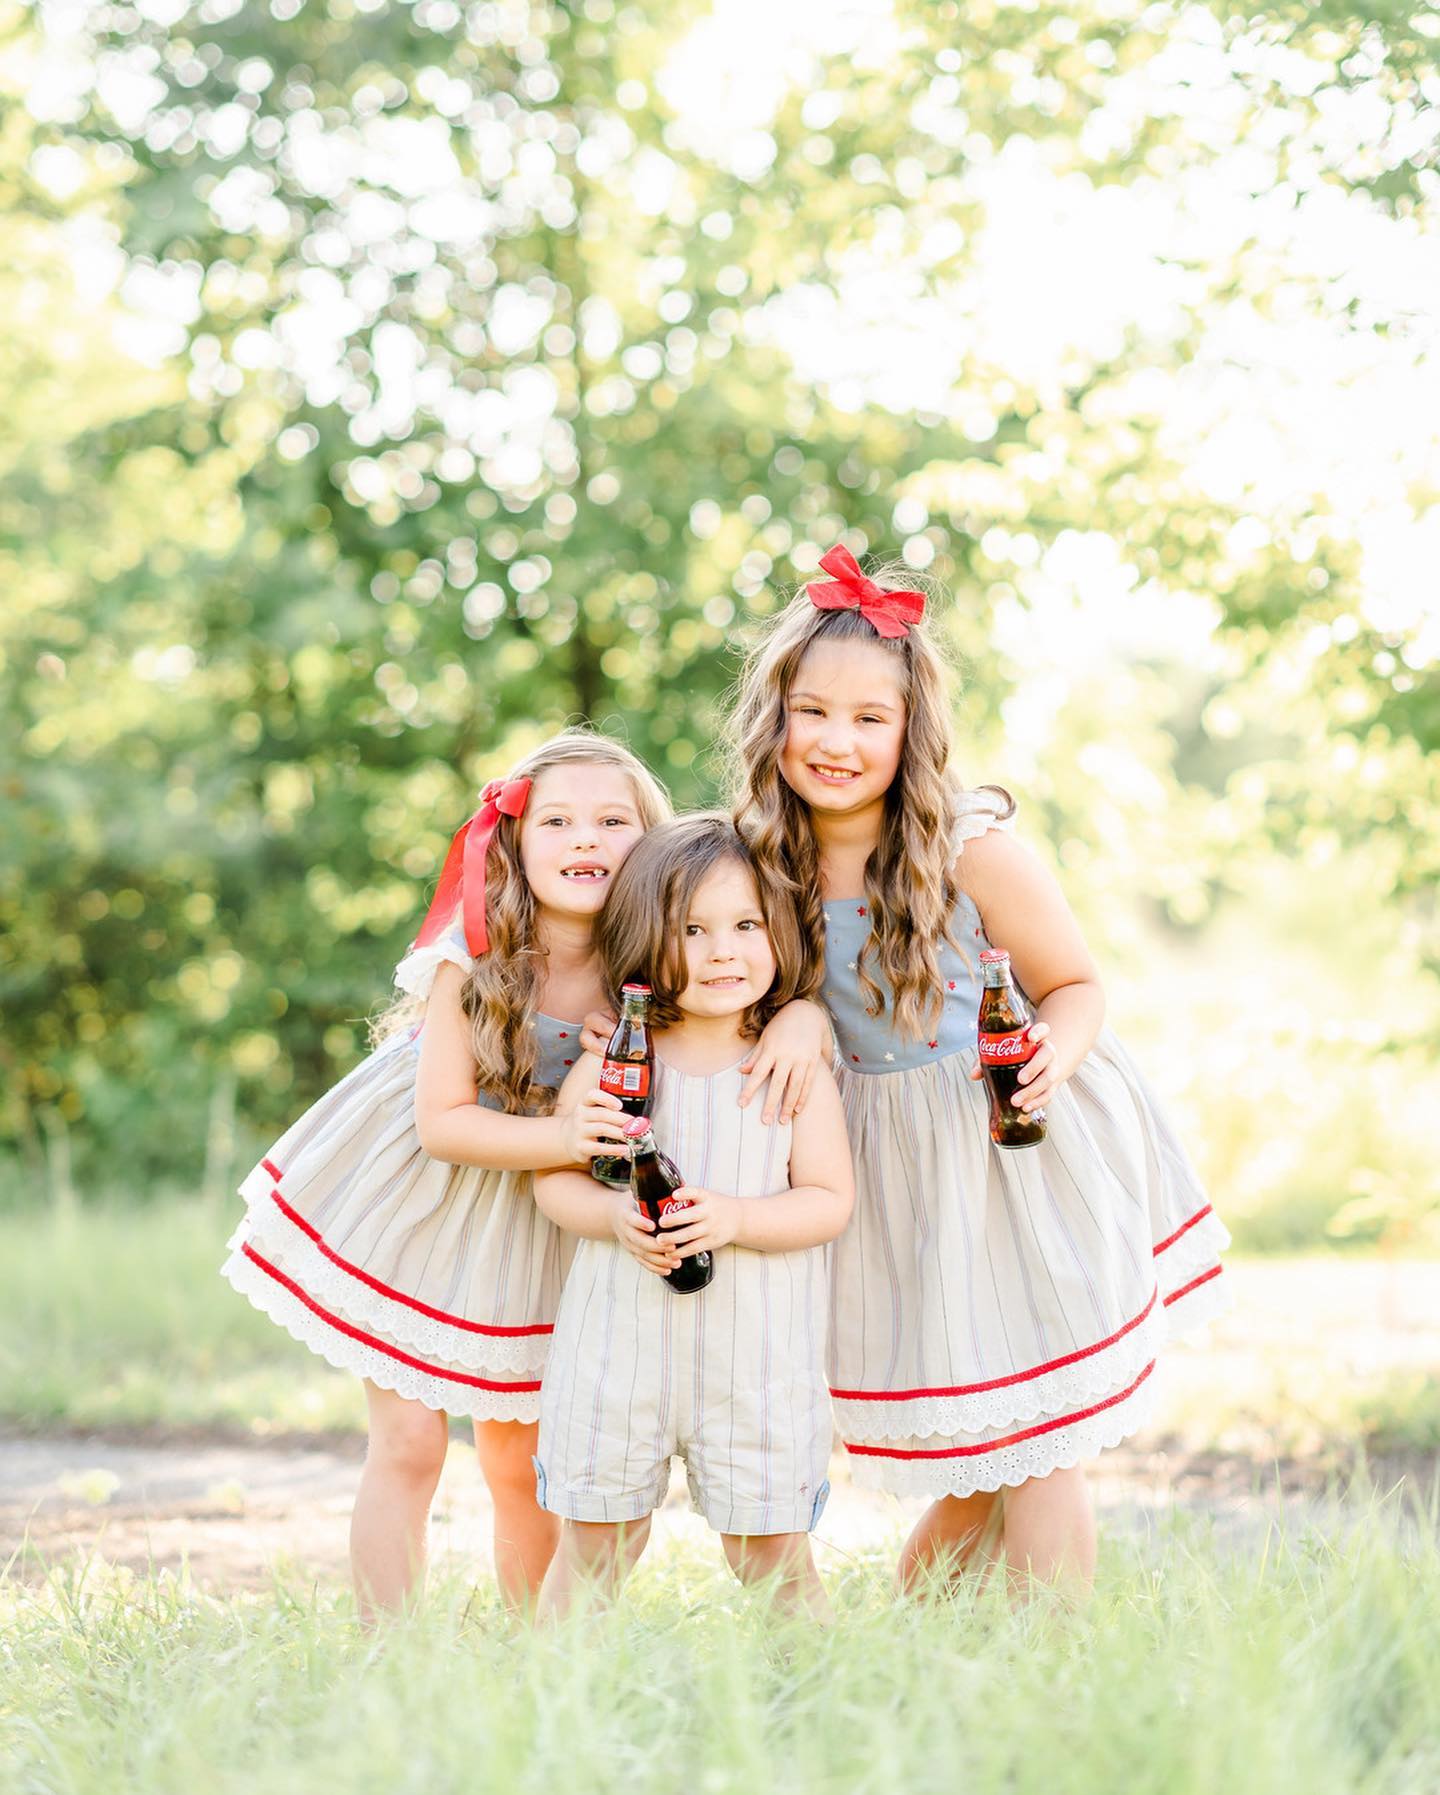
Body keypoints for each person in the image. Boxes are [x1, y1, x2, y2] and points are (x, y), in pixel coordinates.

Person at [728, 544, 1231, 1597]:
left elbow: (1077, 985)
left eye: (871, 718)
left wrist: (1055, 1051)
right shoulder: (751, 860)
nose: (837, 740)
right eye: (813, 711)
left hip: (1013, 1145)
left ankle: (1062, 1672)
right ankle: (920, 1638)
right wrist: (792, 1020)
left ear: (912, 733)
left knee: (1040, 1434)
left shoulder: (970, 847)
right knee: (984, 1439)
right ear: (773, 717)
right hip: (890, 1172)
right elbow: (716, 984)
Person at [223, 730, 671, 1619]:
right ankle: (386, 1651)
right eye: (559, 821)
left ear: (650, 843)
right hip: (420, 1200)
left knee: (517, 1456)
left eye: (614, 820)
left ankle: (529, 1644)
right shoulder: (472, 956)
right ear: (514, 839)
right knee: (410, 1444)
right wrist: (568, 1128)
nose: (586, 839)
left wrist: (609, 1071)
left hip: (537, 1225)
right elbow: (444, 1125)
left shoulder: (650, 967)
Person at [530, 815, 855, 1622]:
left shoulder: (789, 1063)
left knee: (771, 1554)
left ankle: (816, 1709)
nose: (723, 951)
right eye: (693, 929)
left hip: (755, 1353)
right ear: (648, 937)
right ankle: (552, 1704)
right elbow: (553, 1182)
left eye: (747, 925)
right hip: (620, 1346)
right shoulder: (618, 1058)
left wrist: (737, 1215)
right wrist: (611, 1214)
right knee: (598, 1542)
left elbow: (828, 1200)